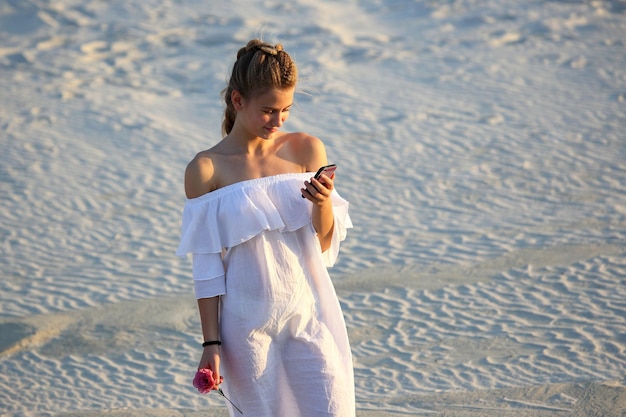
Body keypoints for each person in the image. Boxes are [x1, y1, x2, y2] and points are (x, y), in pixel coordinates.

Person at [176, 39, 355, 417]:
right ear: (238, 101)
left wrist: (322, 203)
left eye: (286, 110)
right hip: (246, 330)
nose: (278, 121)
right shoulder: (206, 170)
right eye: (268, 111)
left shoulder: (306, 150)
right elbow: (206, 269)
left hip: (309, 316)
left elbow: (323, 246)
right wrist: (212, 344)